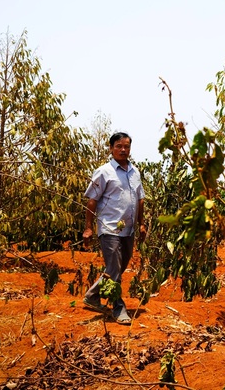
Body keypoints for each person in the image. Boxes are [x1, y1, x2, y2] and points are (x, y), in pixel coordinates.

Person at [82, 131, 146, 324]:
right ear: (111, 148)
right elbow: (92, 202)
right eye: (118, 146)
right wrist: (88, 228)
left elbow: (140, 200)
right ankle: (118, 308)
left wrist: (141, 224)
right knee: (115, 268)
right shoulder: (103, 172)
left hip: (128, 230)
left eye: (126, 146)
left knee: (117, 268)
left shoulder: (135, 172)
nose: (123, 150)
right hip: (109, 228)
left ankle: (92, 296)